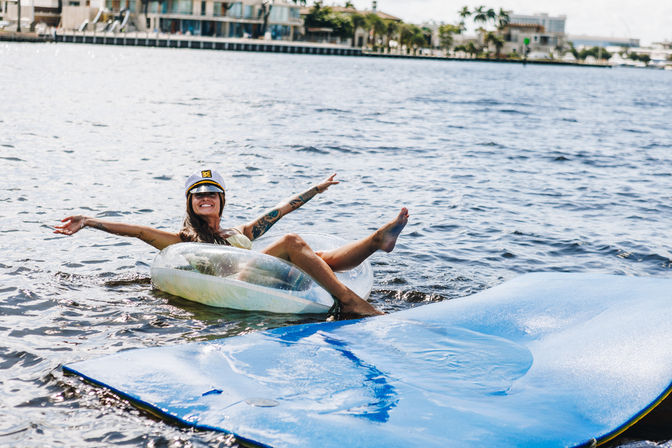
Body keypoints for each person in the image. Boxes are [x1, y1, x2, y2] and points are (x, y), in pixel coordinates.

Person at [55, 169, 409, 317]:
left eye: (212, 193)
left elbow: (281, 209)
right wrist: (89, 221)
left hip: (268, 277)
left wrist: (317, 188)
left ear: (221, 200)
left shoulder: (240, 232)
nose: (205, 198)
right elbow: (137, 230)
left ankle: (378, 240)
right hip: (238, 284)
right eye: (198, 195)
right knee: (291, 243)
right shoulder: (183, 239)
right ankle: (348, 301)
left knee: (317, 257)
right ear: (190, 202)